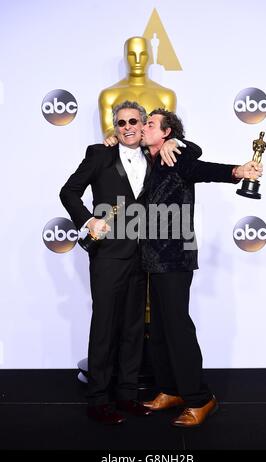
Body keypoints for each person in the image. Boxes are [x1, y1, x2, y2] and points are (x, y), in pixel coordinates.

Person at [139, 109, 263, 428]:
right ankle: (170, 389)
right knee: (160, 329)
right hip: (151, 255)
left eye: (150, 124)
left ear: (166, 134)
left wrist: (236, 170)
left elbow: (199, 166)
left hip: (175, 255)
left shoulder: (177, 154)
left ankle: (200, 399)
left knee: (177, 328)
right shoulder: (146, 160)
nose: (142, 127)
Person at [59, 101, 177, 425]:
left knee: (133, 328)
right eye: (121, 122)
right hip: (108, 256)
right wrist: (88, 221)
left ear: (143, 126)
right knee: (105, 327)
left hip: (143, 257)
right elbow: (68, 192)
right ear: (115, 126)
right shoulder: (99, 155)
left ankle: (127, 395)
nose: (127, 127)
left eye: (133, 122)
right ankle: (98, 399)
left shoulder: (155, 159)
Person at [99, 36, 176, 138]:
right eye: (131, 55)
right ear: (125, 57)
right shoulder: (108, 95)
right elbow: (108, 132)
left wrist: (172, 141)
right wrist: (112, 137)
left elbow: (170, 133)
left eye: (143, 55)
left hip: (156, 153)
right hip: (121, 152)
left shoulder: (166, 95)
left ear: (150, 58)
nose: (137, 60)